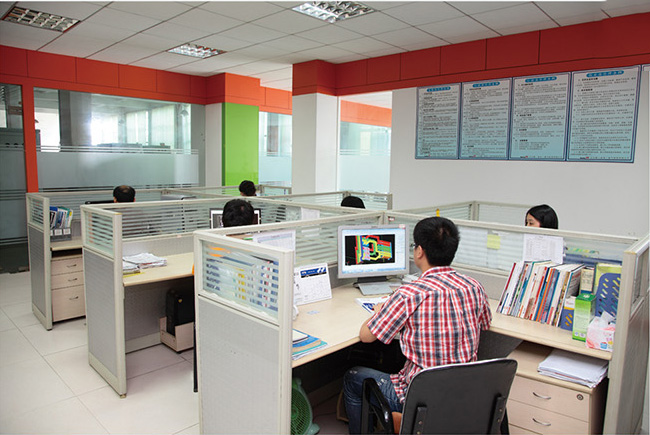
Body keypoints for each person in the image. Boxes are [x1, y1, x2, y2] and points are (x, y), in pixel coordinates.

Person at [342, 217, 492, 434]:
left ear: (419, 251)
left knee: (352, 377)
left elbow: (366, 336)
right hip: (464, 395)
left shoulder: (409, 294)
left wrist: (382, 310)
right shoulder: (474, 286)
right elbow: (485, 323)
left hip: (419, 399)